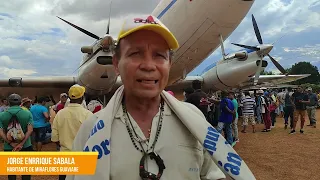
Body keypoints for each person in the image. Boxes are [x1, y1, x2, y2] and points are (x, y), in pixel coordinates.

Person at [66, 15, 254, 180]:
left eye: (159, 55)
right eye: (135, 53)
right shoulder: (89, 131)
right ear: (116, 64)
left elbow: (212, 174)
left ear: (170, 64)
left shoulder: (196, 122)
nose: (148, 65)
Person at [52, 85, 93, 180]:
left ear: (69, 97)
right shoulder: (88, 114)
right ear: (82, 97)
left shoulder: (60, 114)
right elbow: (93, 137)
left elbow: (54, 138)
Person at [0, 94, 33, 180]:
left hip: (9, 147)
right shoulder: (27, 113)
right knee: (26, 171)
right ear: (20, 102)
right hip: (26, 145)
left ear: (8, 102)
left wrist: (10, 143)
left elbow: (1, 132)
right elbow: (30, 130)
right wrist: (21, 143)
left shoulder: (2, 115)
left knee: (11, 172)